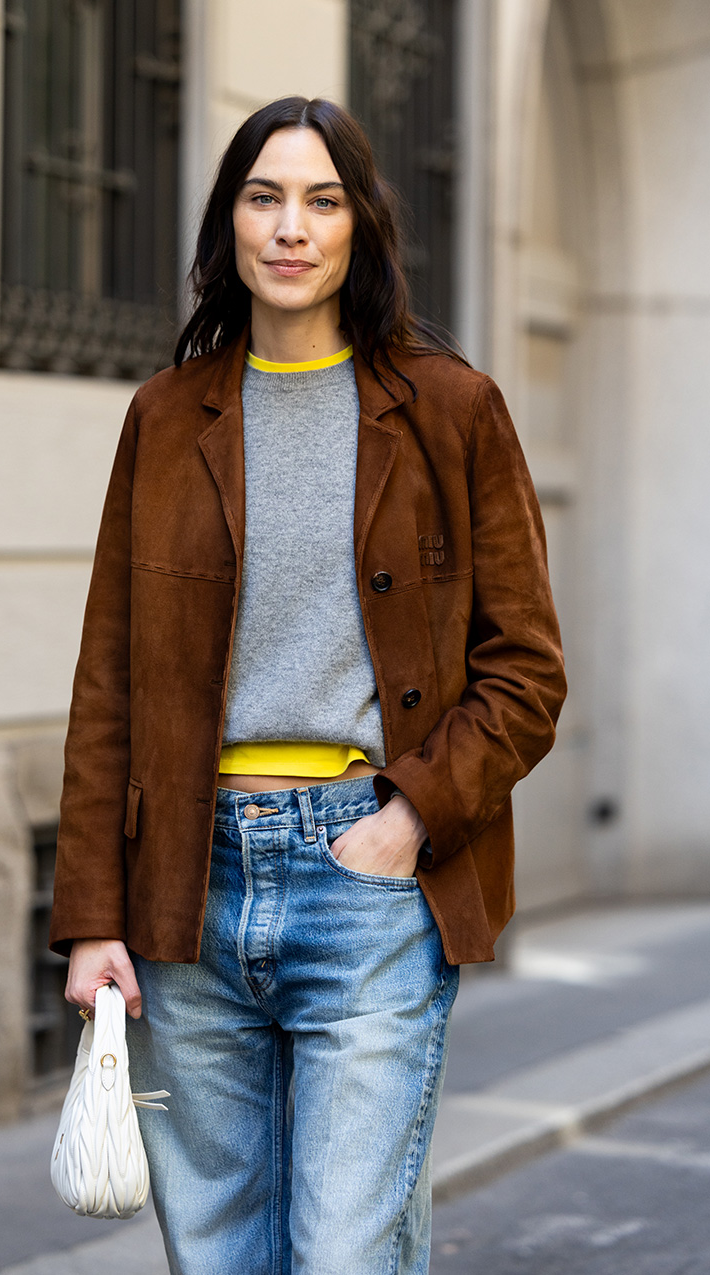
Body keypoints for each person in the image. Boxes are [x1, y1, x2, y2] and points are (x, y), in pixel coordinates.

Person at [49, 96, 566, 1274]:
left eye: (322, 200)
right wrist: (91, 919)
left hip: (367, 880)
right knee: (219, 1255)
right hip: (186, 890)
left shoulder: (450, 410)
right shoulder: (165, 417)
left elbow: (526, 668)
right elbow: (108, 684)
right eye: (264, 197)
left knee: (343, 1251)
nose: (291, 227)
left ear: (359, 226)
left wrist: (408, 821)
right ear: (227, 223)